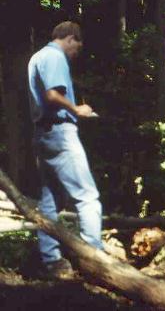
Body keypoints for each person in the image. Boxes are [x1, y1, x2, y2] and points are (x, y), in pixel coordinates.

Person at [27, 21, 104, 278]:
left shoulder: (37, 57)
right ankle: (95, 260)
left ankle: (52, 262)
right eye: (77, 48)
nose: (76, 54)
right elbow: (52, 95)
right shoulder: (55, 56)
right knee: (87, 197)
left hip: (43, 135)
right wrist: (77, 110)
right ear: (71, 38)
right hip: (60, 134)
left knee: (50, 202)